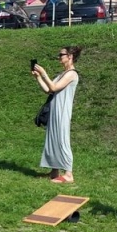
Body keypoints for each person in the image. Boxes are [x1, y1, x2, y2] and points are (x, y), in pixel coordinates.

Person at [32, 47, 81, 183]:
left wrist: (44, 73)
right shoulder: (62, 74)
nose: (59, 57)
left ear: (70, 56)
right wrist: (38, 77)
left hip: (63, 111)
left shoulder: (72, 74)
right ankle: (54, 172)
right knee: (52, 140)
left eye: (61, 55)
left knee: (62, 141)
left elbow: (54, 88)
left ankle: (69, 174)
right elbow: (49, 90)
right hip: (54, 111)